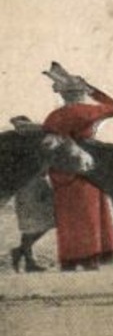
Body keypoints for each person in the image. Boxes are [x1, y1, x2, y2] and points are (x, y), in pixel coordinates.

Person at [41, 64, 113, 271]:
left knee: (68, 216)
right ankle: (90, 260)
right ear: (81, 93)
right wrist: (92, 90)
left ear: (63, 95)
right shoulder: (89, 111)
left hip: (61, 169)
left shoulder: (54, 116)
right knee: (90, 214)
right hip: (87, 166)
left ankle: (70, 260)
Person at [7, 116, 54, 272]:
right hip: (30, 185)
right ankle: (25, 255)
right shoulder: (24, 145)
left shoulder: (27, 144)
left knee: (38, 223)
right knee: (41, 222)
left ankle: (25, 256)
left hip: (33, 184)